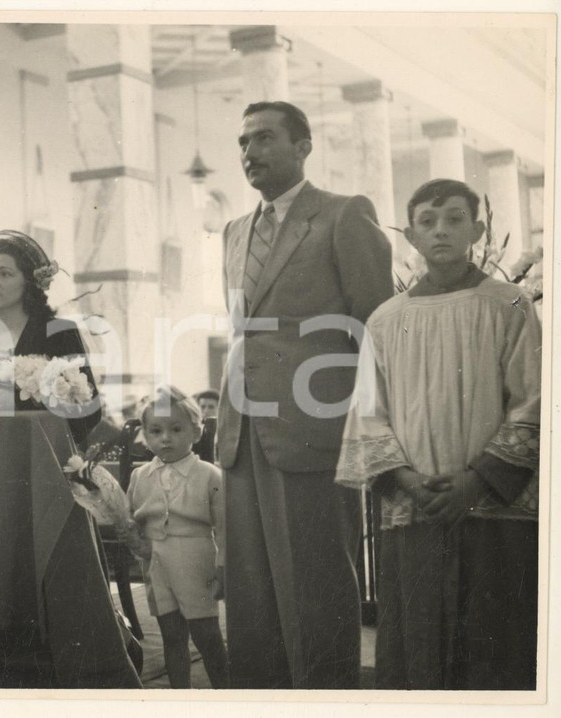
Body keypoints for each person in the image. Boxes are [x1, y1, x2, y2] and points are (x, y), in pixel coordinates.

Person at [336, 179, 541, 690]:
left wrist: (477, 480)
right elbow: (368, 411)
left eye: (454, 218)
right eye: (427, 222)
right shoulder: (386, 319)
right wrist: (406, 481)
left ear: (478, 229)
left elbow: (532, 398)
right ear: (410, 236)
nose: (441, 230)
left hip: (493, 505)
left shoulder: (510, 304)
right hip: (416, 505)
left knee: (495, 638)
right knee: (419, 638)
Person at [217, 101, 393, 688]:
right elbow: (243, 329)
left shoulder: (344, 215)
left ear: (303, 146)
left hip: (313, 424)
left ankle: (327, 697)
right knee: (250, 591)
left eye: (264, 138)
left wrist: (369, 424)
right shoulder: (234, 231)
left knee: (316, 585)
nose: (250, 152)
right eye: (243, 142)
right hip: (242, 427)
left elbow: (374, 327)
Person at [0, 229, 101, 446]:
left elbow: (89, 414)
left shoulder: (59, 333)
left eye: (5, 274)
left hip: (39, 456)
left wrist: (24, 407)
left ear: (28, 282)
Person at [119, 387, 228, 689]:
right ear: (145, 435)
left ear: (196, 431)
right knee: (172, 635)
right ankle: (180, 698)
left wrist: (223, 565)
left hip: (196, 560)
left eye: (176, 429)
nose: (165, 438)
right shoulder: (140, 476)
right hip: (156, 563)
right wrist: (129, 530)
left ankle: (226, 695)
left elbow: (225, 527)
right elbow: (130, 515)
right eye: (156, 431)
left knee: (207, 635)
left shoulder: (210, 475)